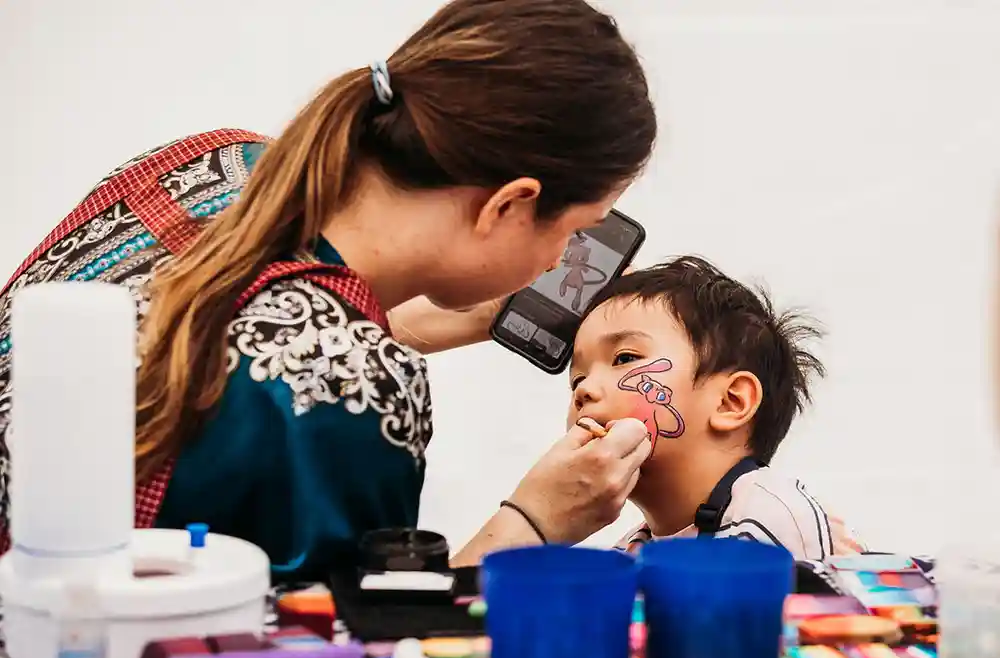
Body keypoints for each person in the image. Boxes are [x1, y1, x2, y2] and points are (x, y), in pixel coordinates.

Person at [0, 0, 656, 579]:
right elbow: (347, 644)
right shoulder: (356, 384)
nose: (564, 260)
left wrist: (428, 317)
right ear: (510, 205)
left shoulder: (217, 163)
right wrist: (533, 523)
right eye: (577, 231)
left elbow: (236, 338)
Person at [566, 257, 865, 560]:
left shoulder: (774, 521)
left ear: (730, 402)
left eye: (624, 358)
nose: (583, 390)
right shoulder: (629, 552)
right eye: (578, 378)